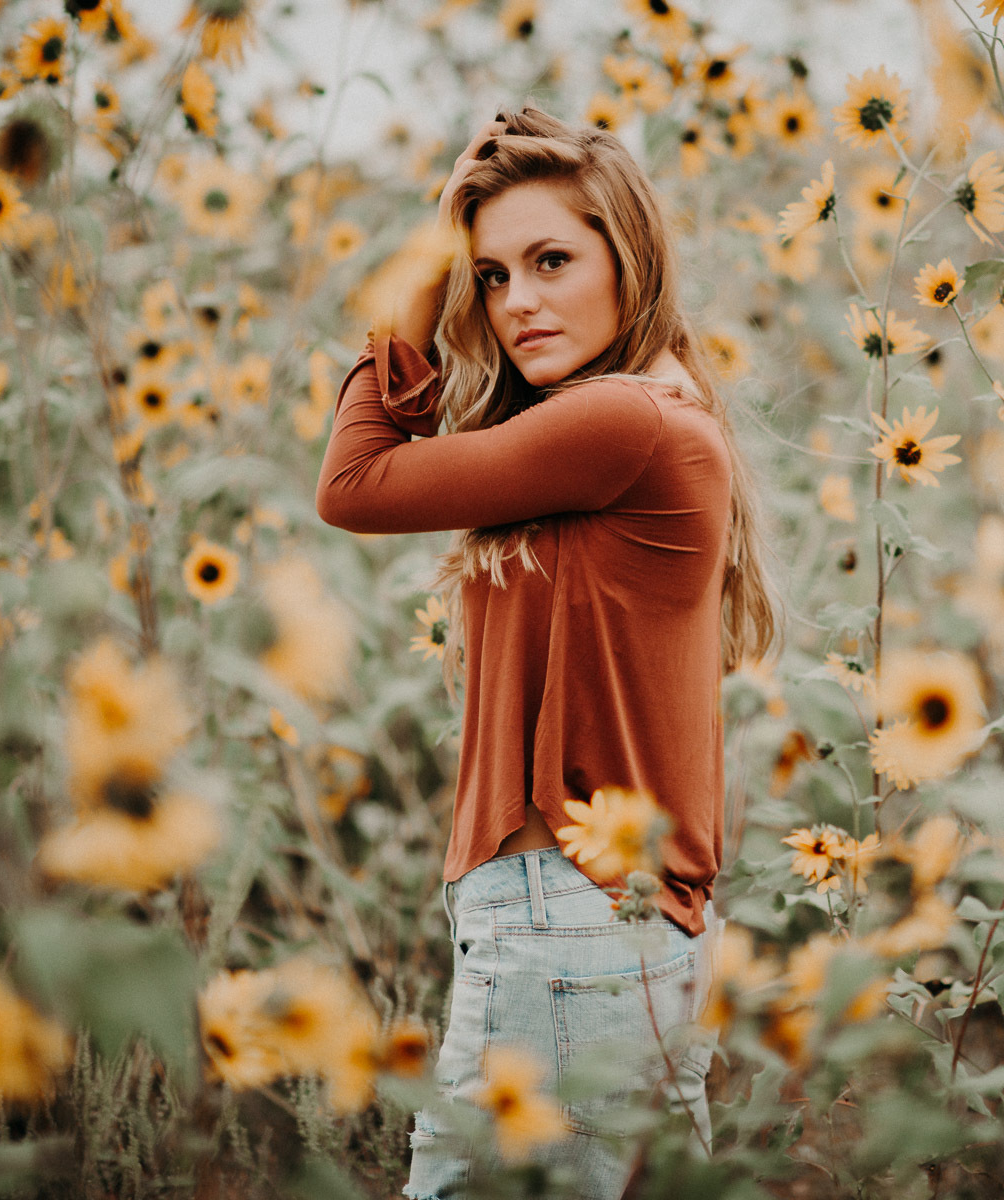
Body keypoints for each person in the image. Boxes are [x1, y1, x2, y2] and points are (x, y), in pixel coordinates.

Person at [314, 103, 783, 1200]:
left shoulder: (618, 424)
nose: (516, 302)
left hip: (564, 926)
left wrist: (424, 259)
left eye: (552, 260)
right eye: (486, 275)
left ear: (631, 257)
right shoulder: (649, 417)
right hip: (623, 931)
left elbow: (352, 485)